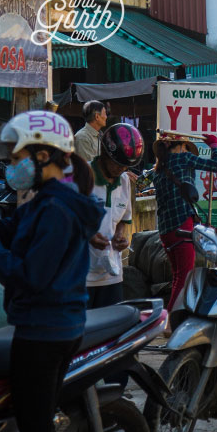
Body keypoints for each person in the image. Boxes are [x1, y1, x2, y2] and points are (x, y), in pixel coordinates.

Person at [0, 110, 103, 432]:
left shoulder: (57, 209)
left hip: (45, 332)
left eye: (17, 157)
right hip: (51, 326)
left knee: (35, 428)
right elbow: (13, 232)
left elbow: (32, 274)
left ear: (43, 156)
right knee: (35, 421)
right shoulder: (47, 202)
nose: (12, 166)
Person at [152, 133, 217, 311]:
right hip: (181, 224)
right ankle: (169, 320)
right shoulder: (184, 158)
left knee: (177, 276)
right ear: (182, 145)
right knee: (184, 277)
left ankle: (171, 316)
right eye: (186, 146)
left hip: (165, 229)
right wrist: (214, 146)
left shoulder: (158, 169)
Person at [87, 123, 143, 308]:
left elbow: (122, 220)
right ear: (104, 153)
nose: (121, 169)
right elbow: (65, 219)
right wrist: (88, 235)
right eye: (118, 164)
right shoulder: (82, 176)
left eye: (126, 165)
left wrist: (120, 236)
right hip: (81, 275)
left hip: (111, 275)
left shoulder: (125, 181)